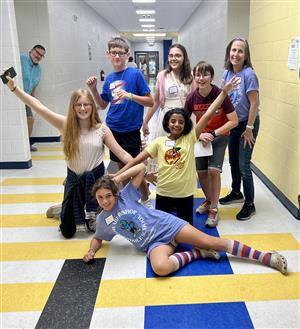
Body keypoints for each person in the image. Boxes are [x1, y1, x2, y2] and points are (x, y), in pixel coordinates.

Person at [83, 163, 287, 277]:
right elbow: (99, 237)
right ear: (96, 199)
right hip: (153, 244)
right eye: (100, 198)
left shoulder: (126, 195)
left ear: (115, 194)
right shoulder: (103, 219)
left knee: (213, 241)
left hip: (167, 226)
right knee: (160, 268)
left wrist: (118, 178)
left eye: (108, 195)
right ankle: (198, 254)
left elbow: (142, 168)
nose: (105, 200)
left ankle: (266, 257)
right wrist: (92, 250)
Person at [3, 71, 132, 238]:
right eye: (78, 105)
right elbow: (38, 105)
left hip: (97, 181)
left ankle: (88, 209)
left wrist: (125, 172)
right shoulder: (65, 125)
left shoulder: (102, 129)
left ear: (92, 107)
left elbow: (124, 156)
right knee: (68, 231)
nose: (83, 108)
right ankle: (61, 208)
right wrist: (14, 88)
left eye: (87, 104)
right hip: (74, 179)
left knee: (96, 227)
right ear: (73, 107)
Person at [114, 77, 240, 226]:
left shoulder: (190, 138)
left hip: (185, 196)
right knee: (164, 232)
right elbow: (136, 160)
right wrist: (118, 175)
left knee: (185, 232)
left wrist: (224, 93)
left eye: (181, 121)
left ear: (186, 124)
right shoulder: (159, 142)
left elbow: (207, 115)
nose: (177, 124)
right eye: (173, 121)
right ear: (167, 123)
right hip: (163, 194)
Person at [86, 37, 154, 207]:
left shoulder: (135, 74)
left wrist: (130, 95)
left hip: (130, 130)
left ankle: (145, 199)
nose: (117, 56)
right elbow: (102, 105)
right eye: (113, 53)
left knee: (134, 168)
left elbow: (150, 101)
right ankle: (130, 201)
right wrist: (93, 89)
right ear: (108, 55)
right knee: (121, 167)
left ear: (127, 55)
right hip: (113, 129)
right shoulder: (109, 79)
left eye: (120, 53)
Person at [185, 61, 238, 228]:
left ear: (212, 77)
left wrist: (214, 133)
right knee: (201, 172)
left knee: (213, 171)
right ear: (194, 77)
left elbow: (234, 121)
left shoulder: (220, 94)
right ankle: (209, 200)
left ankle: (214, 209)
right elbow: (185, 122)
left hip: (220, 136)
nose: (201, 78)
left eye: (205, 74)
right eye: (198, 75)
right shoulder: (191, 98)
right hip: (201, 138)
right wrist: (199, 134)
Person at [219, 38, 260, 221]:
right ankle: (236, 192)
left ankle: (250, 204)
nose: (236, 54)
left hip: (247, 124)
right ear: (229, 52)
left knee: (244, 164)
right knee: (233, 162)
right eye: (233, 50)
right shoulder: (227, 73)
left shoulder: (249, 74)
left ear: (246, 55)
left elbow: (254, 104)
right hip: (234, 123)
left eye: (240, 51)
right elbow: (224, 99)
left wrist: (249, 128)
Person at [143, 43, 195, 140]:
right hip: (167, 117)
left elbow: (197, 101)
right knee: (166, 149)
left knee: (184, 150)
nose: (174, 58)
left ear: (184, 58)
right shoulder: (162, 76)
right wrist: (145, 122)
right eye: (171, 56)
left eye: (178, 55)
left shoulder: (192, 76)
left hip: (186, 117)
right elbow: (156, 101)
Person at [20, 44, 46, 151]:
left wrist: (33, 101)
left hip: (26, 97)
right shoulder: (21, 58)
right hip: (15, 94)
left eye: (41, 55)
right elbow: (6, 73)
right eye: (37, 52)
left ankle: (27, 144)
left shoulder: (38, 69)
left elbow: (34, 86)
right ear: (31, 50)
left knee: (30, 119)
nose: (38, 56)